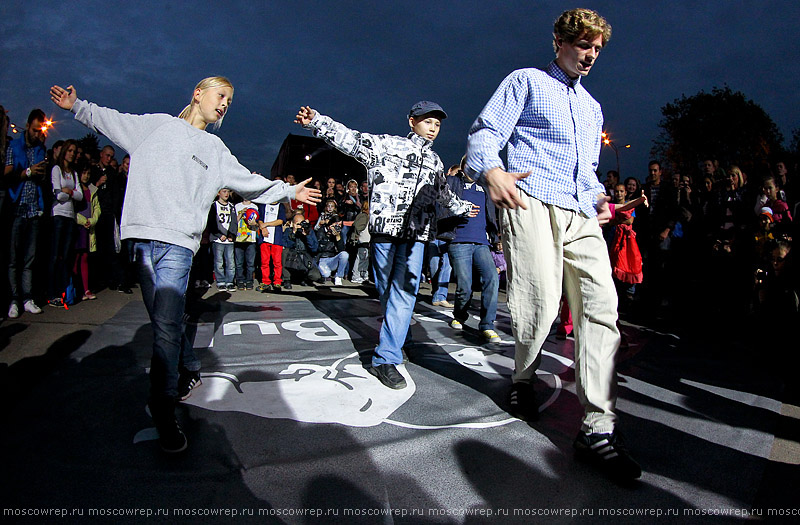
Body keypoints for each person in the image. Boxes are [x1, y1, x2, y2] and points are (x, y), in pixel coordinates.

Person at [50, 78, 320, 454]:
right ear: (198, 92)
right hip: (142, 239)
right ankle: (190, 364)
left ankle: (162, 409)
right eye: (220, 95)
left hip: (178, 246)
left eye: (229, 101)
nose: (225, 104)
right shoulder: (156, 126)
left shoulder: (215, 148)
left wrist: (289, 191)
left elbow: (251, 183)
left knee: (163, 328)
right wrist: (78, 106)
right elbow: (109, 120)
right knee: (168, 323)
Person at [465, 8, 640, 479]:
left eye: (597, 49)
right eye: (584, 45)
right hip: (532, 201)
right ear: (561, 41)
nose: (591, 55)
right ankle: (523, 378)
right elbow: (485, 133)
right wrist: (491, 170)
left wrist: (601, 196)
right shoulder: (525, 80)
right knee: (540, 304)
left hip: (581, 211)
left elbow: (586, 169)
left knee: (602, 308)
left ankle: (598, 427)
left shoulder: (592, 107)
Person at [296, 101, 478, 389]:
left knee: (404, 292)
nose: (433, 128)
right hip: (385, 233)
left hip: (416, 236)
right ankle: (399, 335)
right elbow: (349, 139)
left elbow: (442, 194)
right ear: (411, 121)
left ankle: (385, 358)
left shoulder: (435, 162)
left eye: (438, 124)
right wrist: (317, 121)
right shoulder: (385, 145)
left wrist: (462, 207)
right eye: (428, 121)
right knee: (387, 292)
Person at [441, 159, 501, 343]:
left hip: (482, 243)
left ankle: (487, 325)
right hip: (458, 241)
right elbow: (440, 205)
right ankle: (459, 315)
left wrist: (496, 238)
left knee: (492, 278)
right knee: (464, 285)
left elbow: (493, 215)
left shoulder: (486, 187)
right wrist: (459, 211)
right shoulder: (452, 183)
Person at [5, 109, 49, 318]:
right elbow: (9, 176)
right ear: (28, 125)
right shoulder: (14, 146)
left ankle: (27, 297)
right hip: (17, 206)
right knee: (14, 258)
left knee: (29, 258)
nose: (36, 133)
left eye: (39, 129)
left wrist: (41, 171)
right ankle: (13, 299)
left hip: (34, 208)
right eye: (34, 129)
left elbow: (41, 176)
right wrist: (26, 173)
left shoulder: (41, 148)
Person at [48, 139, 84, 307]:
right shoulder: (57, 169)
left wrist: (67, 191)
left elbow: (80, 195)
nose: (72, 153)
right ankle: (52, 292)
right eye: (69, 150)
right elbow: (57, 195)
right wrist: (68, 192)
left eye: (74, 151)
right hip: (58, 215)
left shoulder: (74, 173)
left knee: (66, 257)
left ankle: (64, 292)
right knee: (55, 255)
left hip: (70, 216)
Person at [74, 162, 100, 301]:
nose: (86, 176)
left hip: (89, 227)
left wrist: (92, 220)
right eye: (83, 173)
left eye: (88, 173)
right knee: (76, 258)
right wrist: (83, 221)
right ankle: (76, 288)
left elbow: (97, 209)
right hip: (78, 226)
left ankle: (86, 288)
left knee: (85, 258)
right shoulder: (76, 188)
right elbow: (72, 210)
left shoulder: (92, 189)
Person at [256, 191, 287, 292]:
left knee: (277, 262)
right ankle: (265, 281)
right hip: (264, 238)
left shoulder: (281, 206)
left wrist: (266, 224)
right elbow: (259, 220)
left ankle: (277, 281)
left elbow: (280, 221)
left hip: (276, 238)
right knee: (264, 261)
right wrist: (263, 227)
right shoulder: (263, 205)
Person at [208, 188, 237, 292]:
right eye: (224, 191)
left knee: (230, 262)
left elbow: (234, 222)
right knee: (219, 262)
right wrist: (219, 234)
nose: (226, 194)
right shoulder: (214, 205)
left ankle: (230, 281)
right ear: (218, 193)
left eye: (228, 192)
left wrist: (231, 234)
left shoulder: (231, 206)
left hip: (229, 239)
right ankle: (220, 281)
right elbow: (211, 222)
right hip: (218, 239)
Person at [315, 199, 349, 285]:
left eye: (337, 225)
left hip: (332, 259)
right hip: (322, 259)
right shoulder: (321, 231)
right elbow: (317, 247)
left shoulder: (337, 233)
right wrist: (327, 234)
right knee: (326, 274)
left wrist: (337, 237)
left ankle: (339, 276)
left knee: (345, 254)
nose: (335, 227)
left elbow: (342, 250)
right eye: (334, 225)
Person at [234, 195, 258, 290]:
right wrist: (241, 214)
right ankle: (240, 280)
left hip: (250, 238)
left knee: (250, 263)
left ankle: (249, 281)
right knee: (239, 262)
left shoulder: (255, 207)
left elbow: (257, 224)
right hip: (239, 238)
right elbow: (233, 222)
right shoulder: (237, 206)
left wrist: (254, 223)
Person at [349, 200, 371, 284]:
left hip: (367, 240)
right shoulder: (363, 216)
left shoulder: (367, 216)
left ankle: (363, 274)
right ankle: (356, 276)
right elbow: (357, 227)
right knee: (361, 258)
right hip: (363, 239)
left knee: (365, 259)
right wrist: (356, 236)